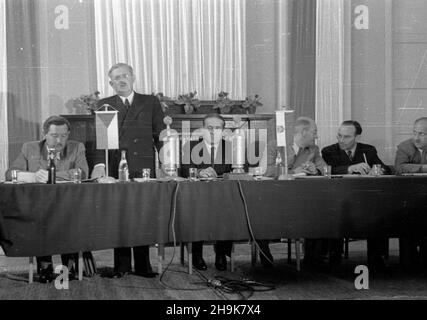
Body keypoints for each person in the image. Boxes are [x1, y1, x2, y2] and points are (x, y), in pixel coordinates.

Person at [91, 63, 165, 278]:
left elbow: (160, 135)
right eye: (116, 77)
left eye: (125, 75)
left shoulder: (150, 102)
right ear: (110, 83)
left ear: (133, 77)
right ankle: (121, 266)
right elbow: (100, 142)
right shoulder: (104, 105)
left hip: (143, 168)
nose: (121, 80)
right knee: (120, 215)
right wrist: (99, 165)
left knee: (142, 215)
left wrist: (167, 162)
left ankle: (143, 265)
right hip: (116, 168)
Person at [5, 115, 89, 283]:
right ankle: (45, 270)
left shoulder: (77, 147)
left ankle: (68, 270)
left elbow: (82, 172)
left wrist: (52, 175)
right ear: (44, 134)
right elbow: (10, 173)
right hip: (39, 207)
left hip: (68, 206)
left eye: (64, 135)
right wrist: (33, 176)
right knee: (40, 223)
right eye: (54, 135)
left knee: (68, 222)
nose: (59, 140)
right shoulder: (29, 148)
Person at [322, 120, 391, 270]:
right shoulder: (329, 151)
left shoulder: (368, 150)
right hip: (339, 200)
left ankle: (376, 259)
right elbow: (329, 170)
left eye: (346, 137)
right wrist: (350, 168)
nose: (341, 140)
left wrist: (377, 170)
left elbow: (385, 168)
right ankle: (335, 257)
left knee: (377, 215)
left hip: (363, 199)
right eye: (339, 135)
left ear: (357, 137)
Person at [259, 117, 327, 267]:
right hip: (275, 198)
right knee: (259, 215)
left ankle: (312, 260)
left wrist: (315, 170)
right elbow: (265, 170)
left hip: (301, 199)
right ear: (303, 132)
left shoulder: (313, 149)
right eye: (314, 132)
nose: (316, 136)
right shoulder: (275, 145)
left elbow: (324, 168)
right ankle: (264, 255)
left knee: (320, 213)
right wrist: (291, 171)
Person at [180, 114, 233, 271]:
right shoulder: (190, 147)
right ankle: (196, 254)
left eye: (217, 128)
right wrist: (199, 171)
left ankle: (221, 254)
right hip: (197, 196)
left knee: (229, 211)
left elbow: (237, 171)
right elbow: (183, 169)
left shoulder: (230, 147)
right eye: (209, 127)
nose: (212, 131)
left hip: (222, 195)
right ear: (202, 129)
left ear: (223, 131)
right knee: (197, 214)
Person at [394, 117, 427, 272]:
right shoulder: (405, 146)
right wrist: (423, 168)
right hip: (409, 198)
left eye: (422, 134)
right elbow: (399, 168)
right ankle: (409, 265)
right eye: (415, 132)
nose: (416, 137)